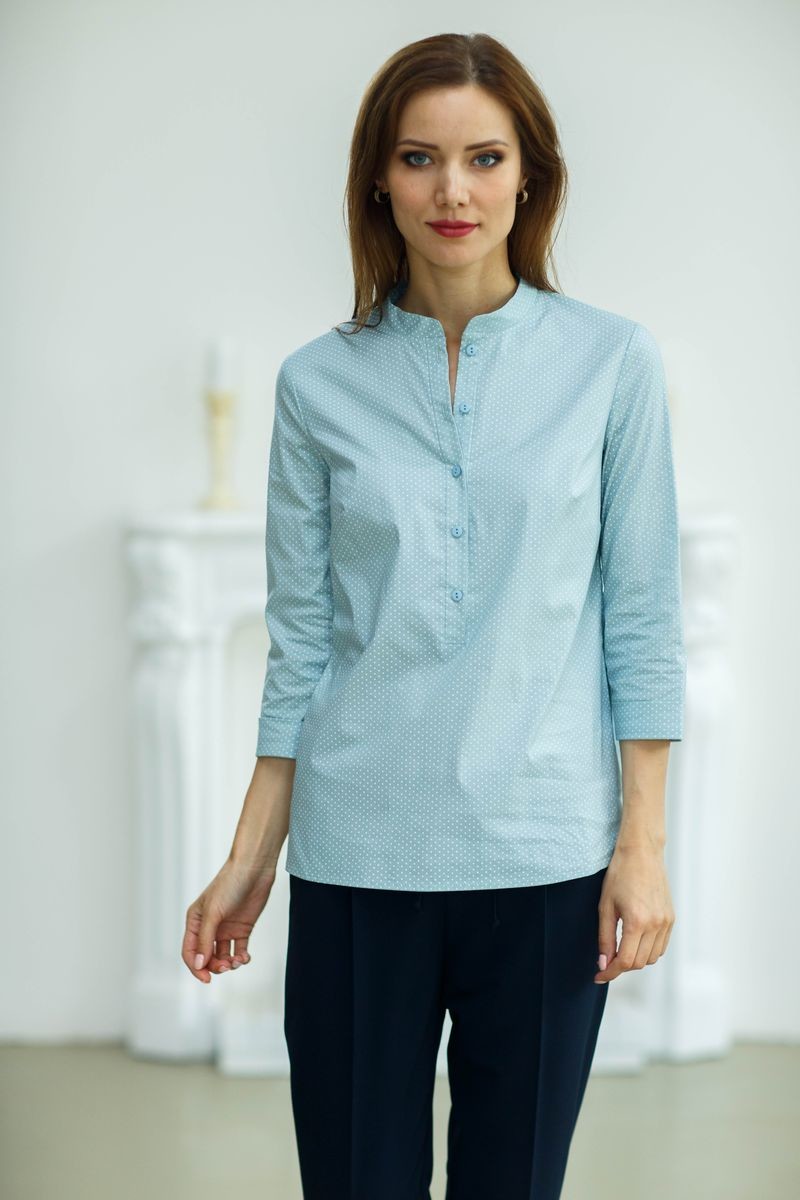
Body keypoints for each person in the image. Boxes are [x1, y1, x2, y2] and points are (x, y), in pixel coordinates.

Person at [182, 31, 686, 1200]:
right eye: (418, 158)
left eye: (482, 158)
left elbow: (640, 619)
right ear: (378, 179)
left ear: (529, 177)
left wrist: (641, 850)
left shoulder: (611, 364)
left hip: (546, 858)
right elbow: (303, 641)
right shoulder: (316, 382)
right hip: (358, 859)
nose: (451, 190)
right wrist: (252, 856)